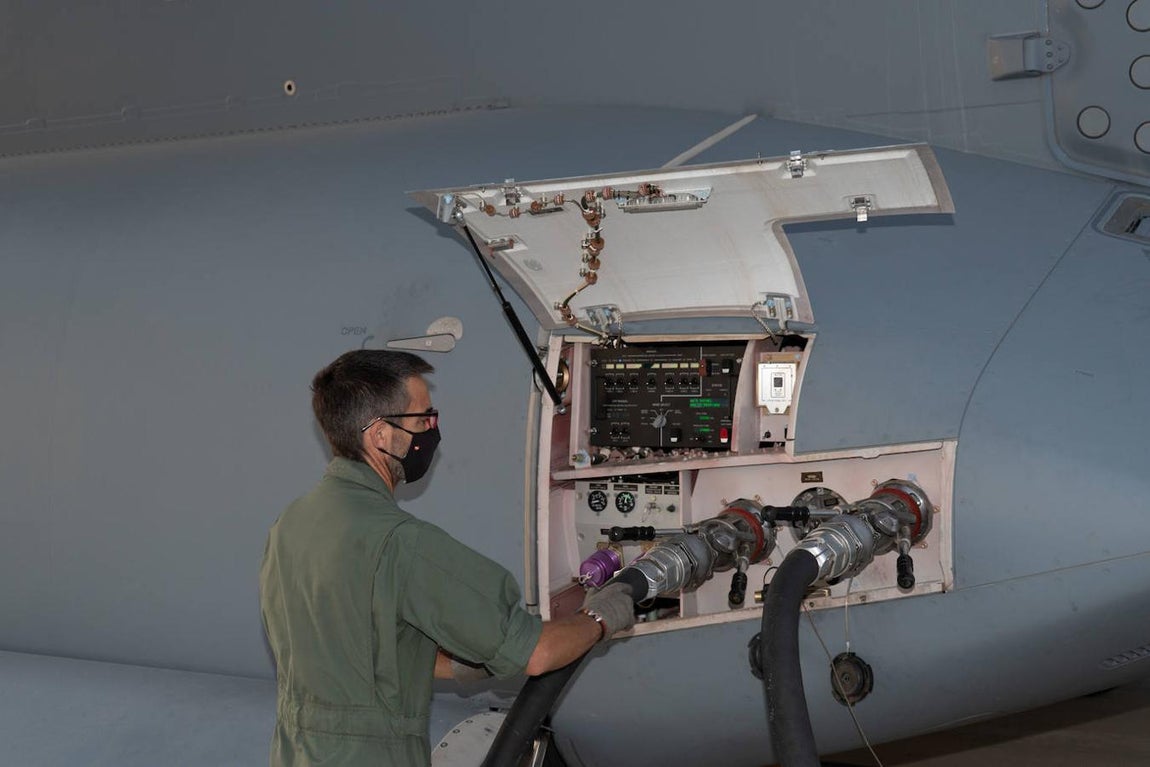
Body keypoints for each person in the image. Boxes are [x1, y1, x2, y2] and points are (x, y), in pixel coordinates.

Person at [259, 349, 634, 767]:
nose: (431, 432)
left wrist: (452, 667)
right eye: (422, 420)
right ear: (380, 435)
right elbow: (536, 653)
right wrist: (601, 617)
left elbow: (354, 653)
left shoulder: (291, 524)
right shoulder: (402, 543)